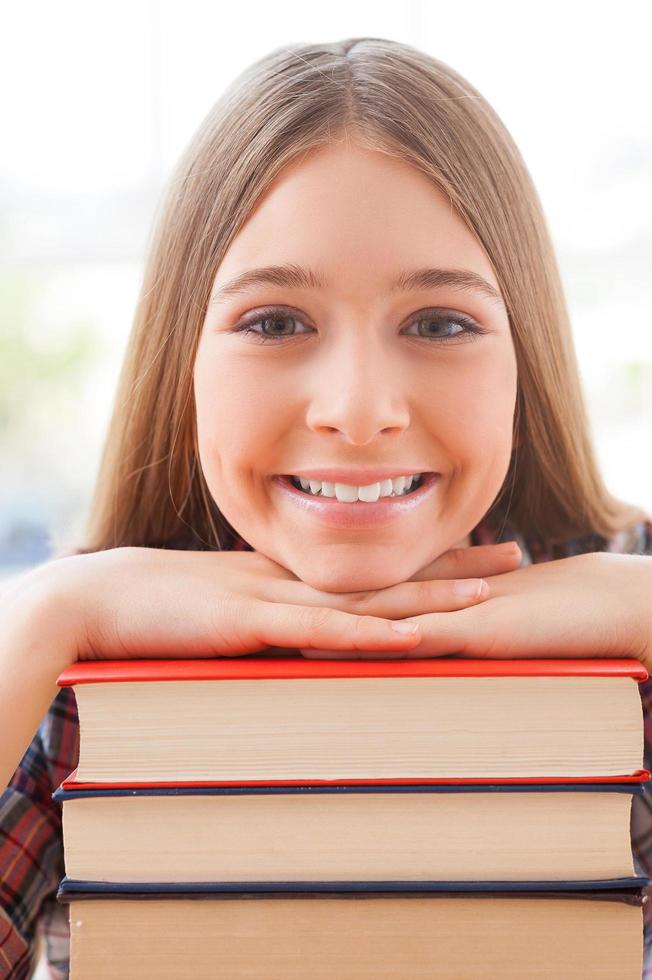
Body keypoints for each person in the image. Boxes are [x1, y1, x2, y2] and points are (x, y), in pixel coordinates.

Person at [1, 36, 651, 979]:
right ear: (184, 356)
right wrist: (47, 613)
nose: (356, 411)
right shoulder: (70, 661)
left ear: (526, 355)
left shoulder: (631, 601)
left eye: (438, 324)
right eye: (274, 323)